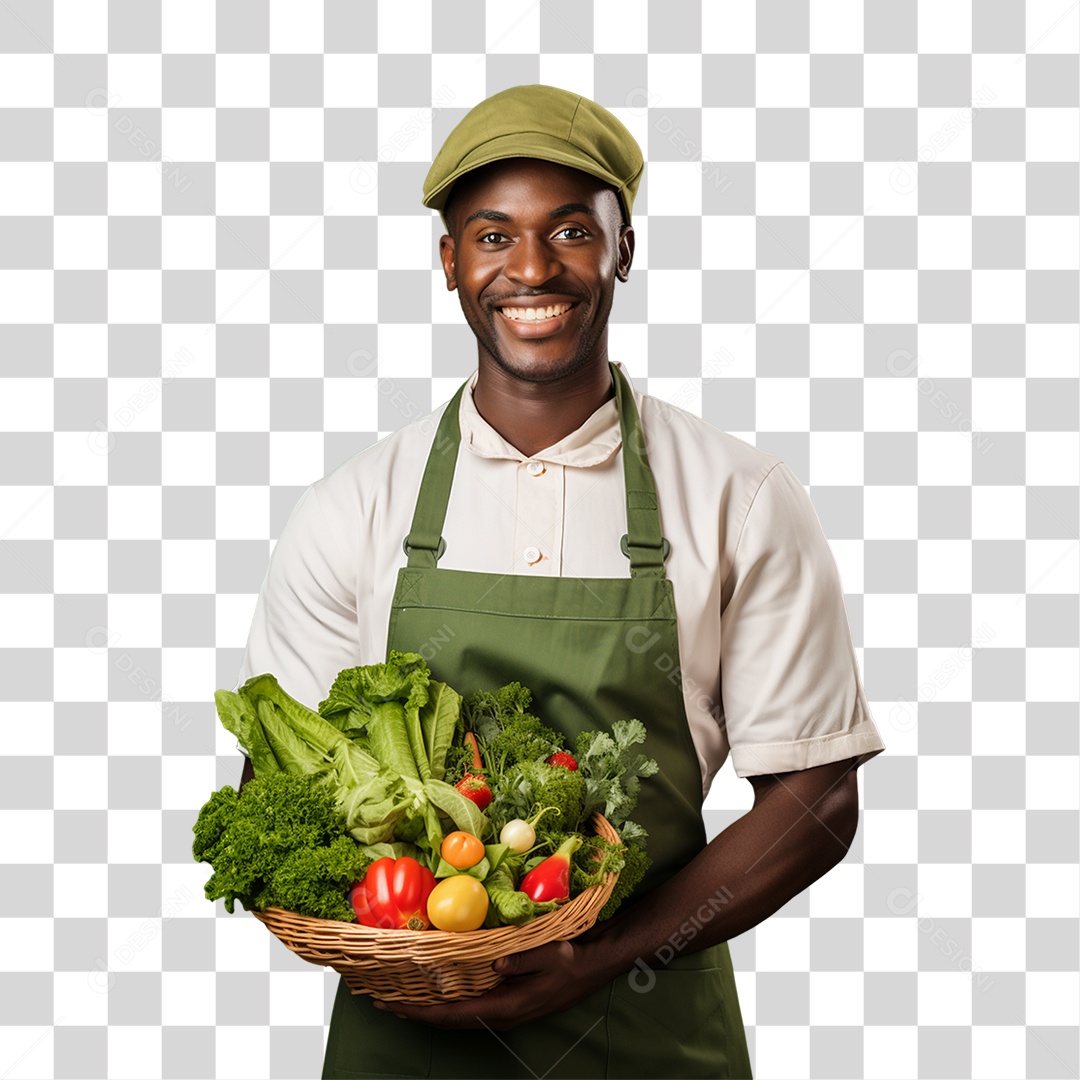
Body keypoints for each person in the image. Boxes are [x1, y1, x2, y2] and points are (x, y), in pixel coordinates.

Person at [233, 84, 886, 1080]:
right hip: (404, 1047)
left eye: (572, 231)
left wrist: (604, 957)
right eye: (493, 236)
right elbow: (276, 788)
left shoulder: (739, 497)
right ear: (449, 262)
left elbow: (815, 800)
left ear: (624, 249)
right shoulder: (355, 505)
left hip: (653, 1037)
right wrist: (411, 947)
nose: (532, 268)